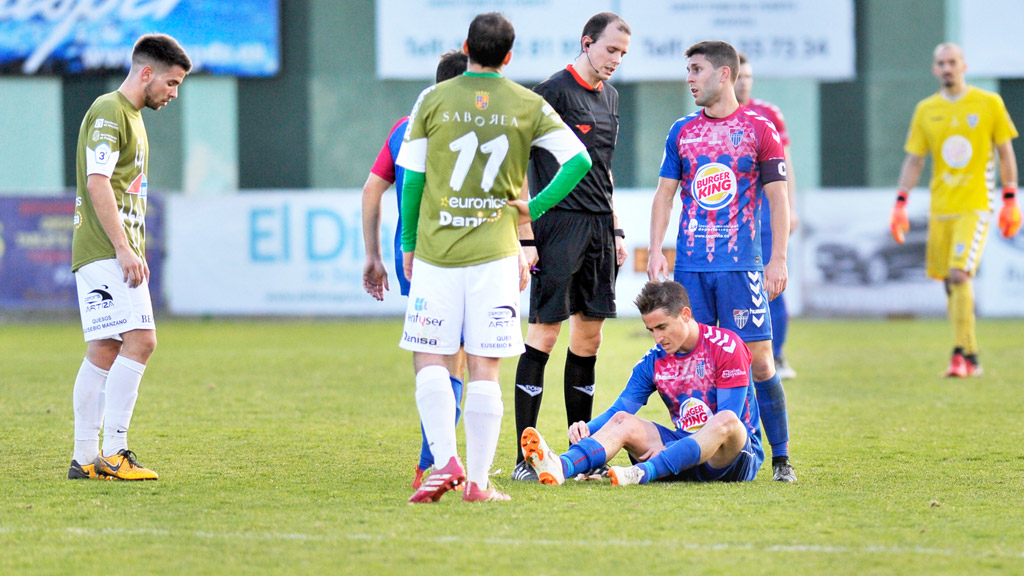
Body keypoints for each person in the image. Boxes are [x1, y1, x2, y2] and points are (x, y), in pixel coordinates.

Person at [397, 12, 591, 503]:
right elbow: (580, 161)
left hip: (439, 254)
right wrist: (535, 205)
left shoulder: (432, 99)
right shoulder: (527, 103)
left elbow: (414, 179)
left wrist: (408, 244)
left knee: (431, 359)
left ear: (467, 47)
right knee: (485, 367)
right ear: (509, 55)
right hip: (497, 257)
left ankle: (445, 463)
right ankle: (478, 483)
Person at [647, 40, 796, 482]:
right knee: (700, 359)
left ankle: (782, 458)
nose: (689, 78)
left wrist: (778, 258)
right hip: (691, 269)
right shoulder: (682, 130)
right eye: (687, 70)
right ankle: (723, 453)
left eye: (696, 70)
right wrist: (656, 249)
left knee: (759, 359)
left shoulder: (759, 128)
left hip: (740, 268)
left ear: (723, 74)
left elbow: (778, 199)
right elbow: (664, 194)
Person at [511, 12, 631, 482]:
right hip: (556, 227)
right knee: (544, 333)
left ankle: (580, 459)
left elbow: (604, 169)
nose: (616, 61)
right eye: (610, 51)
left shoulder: (613, 97)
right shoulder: (551, 93)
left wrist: (617, 228)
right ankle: (526, 457)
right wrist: (525, 234)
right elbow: (516, 162)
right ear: (587, 43)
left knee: (590, 338)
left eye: (622, 54)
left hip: (600, 229)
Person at [68, 34, 191, 481]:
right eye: (172, 83)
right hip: (105, 249)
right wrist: (123, 247)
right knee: (141, 341)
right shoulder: (109, 111)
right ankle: (115, 451)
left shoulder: (133, 118)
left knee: (106, 347)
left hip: (111, 249)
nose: (173, 93)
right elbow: (98, 181)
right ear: (146, 73)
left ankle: (85, 459)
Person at [520, 280, 763, 486]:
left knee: (726, 420)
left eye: (662, 327)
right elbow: (619, 411)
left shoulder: (726, 346)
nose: (658, 338)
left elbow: (730, 416)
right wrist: (586, 427)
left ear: (685, 315)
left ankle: (643, 472)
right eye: (651, 330)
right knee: (624, 421)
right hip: (678, 454)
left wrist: (671, 453)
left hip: (730, 458)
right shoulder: (653, 361)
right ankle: (561, 466)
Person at [360, 49, 470, 491]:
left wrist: (372, 255)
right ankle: (440, 458)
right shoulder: (478, 128)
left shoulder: (404, 128)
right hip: (464, 253)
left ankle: (434, 460)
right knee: (459, 358)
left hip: (413, 257)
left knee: (428, 353)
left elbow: (372, 191)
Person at [892, 43, 1021, 377]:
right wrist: (900, 202)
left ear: (964, 65)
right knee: (950, 284)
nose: (947, 68)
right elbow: (914, 158)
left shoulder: (988, 103)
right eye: (941, 63)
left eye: (952, 62)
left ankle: (959, 353)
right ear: (935, 69)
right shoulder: (926, 109)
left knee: (959, 274)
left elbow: (1005, 152)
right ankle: (972, 356)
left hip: (976, 205)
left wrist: (1009, 198)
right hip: (941, 208)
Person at [734, 52, 799, 380]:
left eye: (748, 76)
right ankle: (736, 358)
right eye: (738, 76)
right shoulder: (712, 116)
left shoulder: (768, 114)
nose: (744, 82)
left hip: (766, 214)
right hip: (734, 221)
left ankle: (777, 354)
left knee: (772, 281)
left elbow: (785, 165)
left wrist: (792, 206)